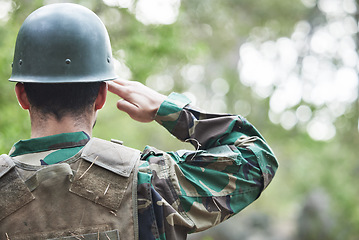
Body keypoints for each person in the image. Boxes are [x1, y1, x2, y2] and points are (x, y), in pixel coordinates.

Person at [0, 3, 278, 240]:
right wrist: (167, 109)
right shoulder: (150, 182)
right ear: (101, 96)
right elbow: (256, 159)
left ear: (21, 95)